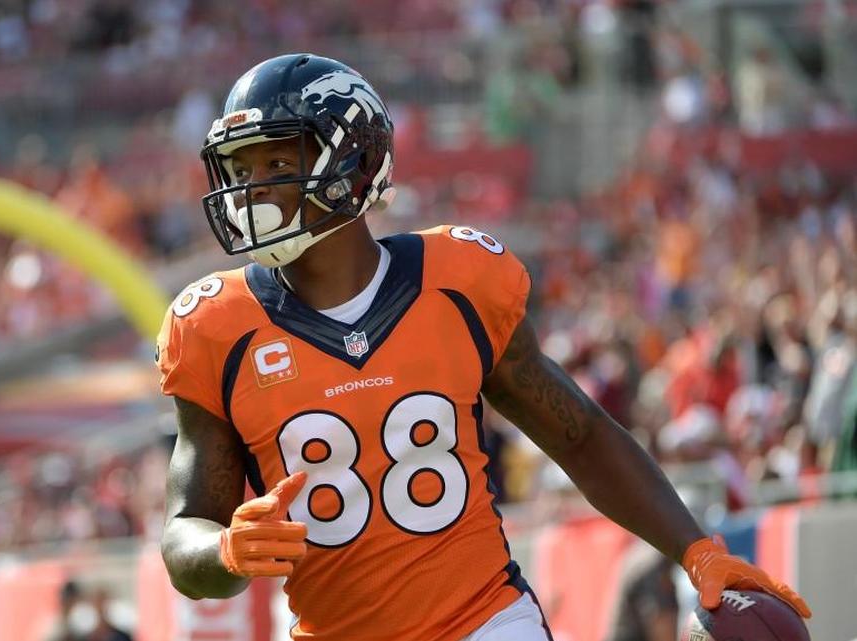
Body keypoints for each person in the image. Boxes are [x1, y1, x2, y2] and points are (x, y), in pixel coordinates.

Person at [155, 53, 811, 641]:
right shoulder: (217, 326)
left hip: (484, 621)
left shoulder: (457, 282)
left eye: (276, 161)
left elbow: (579, 434)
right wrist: (226, 552)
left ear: (353, 164)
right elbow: (187, 529)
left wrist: (696, 550)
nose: (254, 186)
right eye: (243, 167)